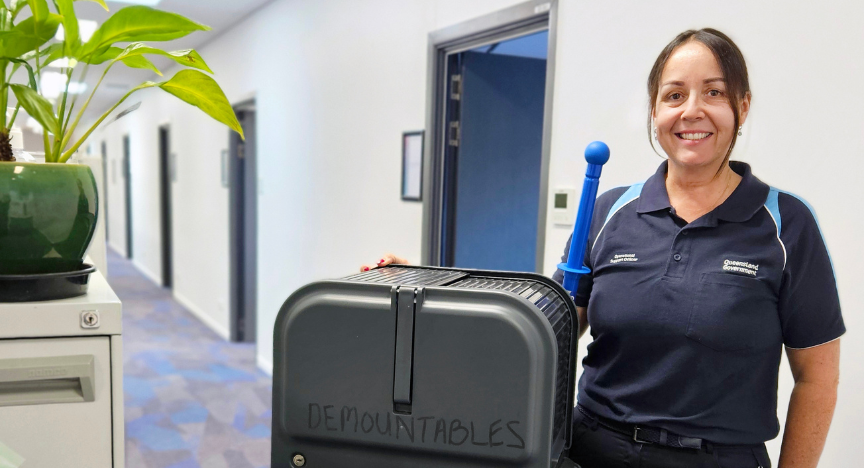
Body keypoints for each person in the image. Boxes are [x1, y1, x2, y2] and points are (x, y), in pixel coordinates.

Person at [364, 28, 843, 468]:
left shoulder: (785, 224)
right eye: (674, 95)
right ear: (655, 111)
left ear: (742, 103)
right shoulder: (609, 211)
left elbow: (816, 379)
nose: (692, 110)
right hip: (592, 450)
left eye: (713, 92)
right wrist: (432, 284)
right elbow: (545, 327)